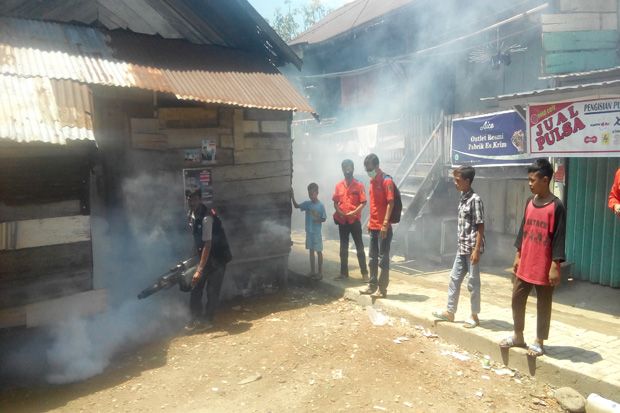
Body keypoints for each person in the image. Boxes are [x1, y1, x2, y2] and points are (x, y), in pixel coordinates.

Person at [500, 158, 566, 357]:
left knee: (543, 304)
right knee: (517, 299)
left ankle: (539, 341)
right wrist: (517, 255)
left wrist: (555, 265)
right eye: (528, 180)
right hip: (526, 262)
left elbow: (559, 238)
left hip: (544, 266)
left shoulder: (557, 206)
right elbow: (523, 230)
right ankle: (518, 336)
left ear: (545, 180)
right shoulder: (530, 202)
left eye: (532, 180)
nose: (529, 183)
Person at [433, 165, 485, 328]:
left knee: (473, 283)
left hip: (471, 250)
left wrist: (476, 250)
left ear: (467, 181)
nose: (455, 183)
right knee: (454, 279)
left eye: (458, 180)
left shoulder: (475, 200)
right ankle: (450, 312)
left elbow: (480, 225)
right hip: (461, 248)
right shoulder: (463, 196)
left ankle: (474, 316)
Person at [185, 190, 232, 332]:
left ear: (199, 199)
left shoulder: (207, 218)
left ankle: (208, 320)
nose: (191, 202)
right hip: (205, 258)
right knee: (195, 289)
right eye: (189, 199)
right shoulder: (191, 215)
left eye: (193, 199)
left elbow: (207, 244)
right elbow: (197, 240)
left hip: (217, 258)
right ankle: (195, 319)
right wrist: (193, 259)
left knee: (212, 291)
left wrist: (199, 269)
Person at [359, 153, 394, 299]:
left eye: (370, 169)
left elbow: (390, 203)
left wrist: (385, 223)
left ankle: (382, 289)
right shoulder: (372, 181)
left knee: (383, 258)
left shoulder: (387, 181)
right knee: (372, 257)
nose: (368, 171)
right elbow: (373, 205)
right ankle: (372, 285)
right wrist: (369, 221)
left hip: (383, 228)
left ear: (377, 166)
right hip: (373, 226)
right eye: (366, 169)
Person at [332, 159, 369, 281]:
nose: (347, 170)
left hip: (354, 221)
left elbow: (363, 203)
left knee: (359, 247)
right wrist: (339, 211)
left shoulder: (359, 185)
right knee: (343, 248)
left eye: (349, 167)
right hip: (342, 221)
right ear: (342, 170)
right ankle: (344, 273)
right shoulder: (338, 186)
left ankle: (364, 274)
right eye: (345, 168)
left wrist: (354, 212)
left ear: (353, 169)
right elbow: (335, 202)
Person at [292, 183, 327, 280]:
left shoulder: (321, 206)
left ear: (317, 193)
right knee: (311, 251)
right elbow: (296, 206)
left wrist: (318, 220)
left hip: (316, 233)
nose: (311, 196)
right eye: (309, 194)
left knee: (319, 251)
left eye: (313, 194)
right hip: (309, 231)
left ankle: (320, 273)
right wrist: (292, 196)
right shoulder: (307, 204)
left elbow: (324, 218)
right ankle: (312, 271)